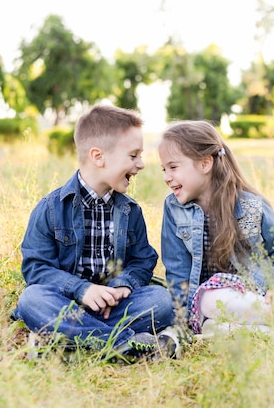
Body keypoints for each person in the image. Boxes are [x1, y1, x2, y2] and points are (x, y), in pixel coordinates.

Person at [12, 104, 177, 362]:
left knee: (162, 300)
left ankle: (72, 344)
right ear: (98, 157)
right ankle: (126, 345)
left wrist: (123, 285)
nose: (141, 164)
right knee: (31, 300)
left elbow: (143, 260)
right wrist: (82, 290)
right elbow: (36, 269)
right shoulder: (51, 208)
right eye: (133, 156)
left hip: (114, 308)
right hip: (67, 305)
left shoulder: (129, 211)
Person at [158, 120, 274, 337]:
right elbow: (177, 271)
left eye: (173, 167)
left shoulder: (249, 205)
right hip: (205, 310)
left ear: (205, 163)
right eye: (164, 169)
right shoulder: (173, 209)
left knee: (212, 299)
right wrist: (181, 322)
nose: (167, 177)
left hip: (251, 295)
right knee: (213, 329)